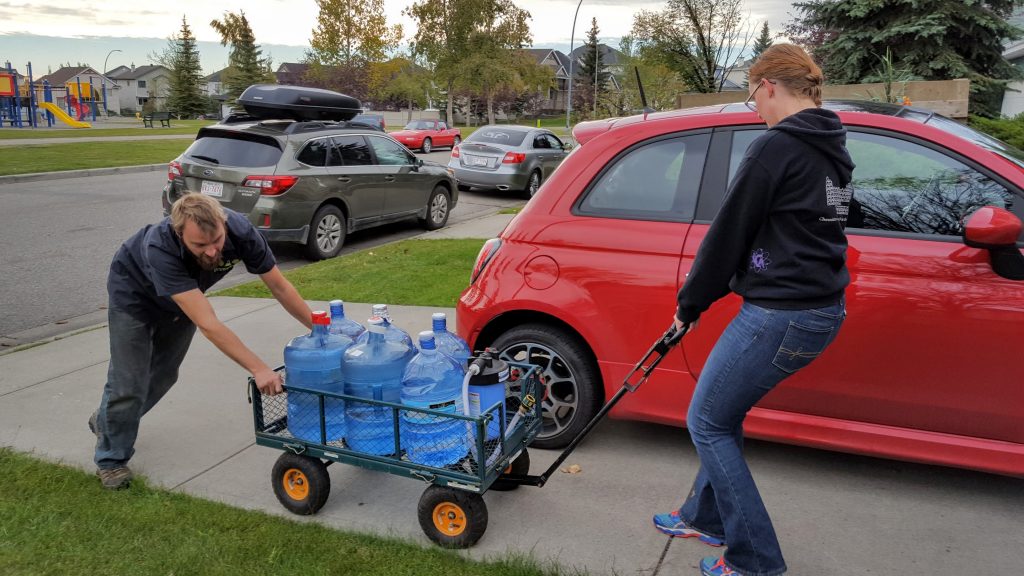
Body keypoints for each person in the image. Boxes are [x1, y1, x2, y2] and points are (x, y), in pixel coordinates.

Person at [652, 44, 855, 576]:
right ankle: (705, 515)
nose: (754, 108)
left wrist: (689, 306)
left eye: (752, 96)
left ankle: (756, 560)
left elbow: (728, 234)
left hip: (782, 314)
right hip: (817, 309)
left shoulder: (776, 148)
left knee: (706, 421)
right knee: (723, 413)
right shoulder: (831, 143)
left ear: (768, 85)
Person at [91, 192, 313, 490]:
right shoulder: (160, 247)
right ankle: (111, 459)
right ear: (179, 231)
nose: (211, 252)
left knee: (165, 375)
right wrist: (258, 367)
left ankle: (108, 421)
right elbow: (208, 323)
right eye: (199, 245)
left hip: (183, 297)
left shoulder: (241, 230)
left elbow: (280, 287)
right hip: (134, 298)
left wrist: (321, 329)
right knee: (128, 382)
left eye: (217, 241)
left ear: (223, 223)